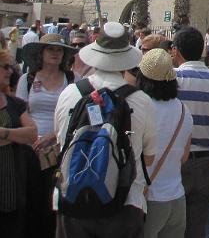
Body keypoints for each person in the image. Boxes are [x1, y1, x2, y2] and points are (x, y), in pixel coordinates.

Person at [54, 21, 157, 237]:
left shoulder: (70, 93)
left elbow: (61, 143)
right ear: (125, 60)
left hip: (73, 199)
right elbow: (148, 158)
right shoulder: (141, 101)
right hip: (125, 202)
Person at [172, 25, 209, 238]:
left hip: (177, 162)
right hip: (205, 161)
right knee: (197, 227)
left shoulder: (173, 78)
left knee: (172, 226)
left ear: (176, 50)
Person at [17, 32, 77, 238]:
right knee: (30, 200)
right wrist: (33, 137)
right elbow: (20, 111)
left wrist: (52, 136)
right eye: (51, 49)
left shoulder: (72, 79)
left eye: (59, 50)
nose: (55, 53)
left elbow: (75, 115)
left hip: (58, 149)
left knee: (52, 202)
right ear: (41, 53)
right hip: (30, 150)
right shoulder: (27, 79)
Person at [138, 49, 193, 238]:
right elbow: (184, 157)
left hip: (149, 198)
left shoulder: (140, 109)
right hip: (176, 196)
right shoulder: (184, 110)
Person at [0, 47, 41, 234]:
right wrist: (16, 135)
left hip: (11, 190)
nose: (10, 71)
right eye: (5, 66)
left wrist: (6, 133)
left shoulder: (14, 103)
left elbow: (32, 133)